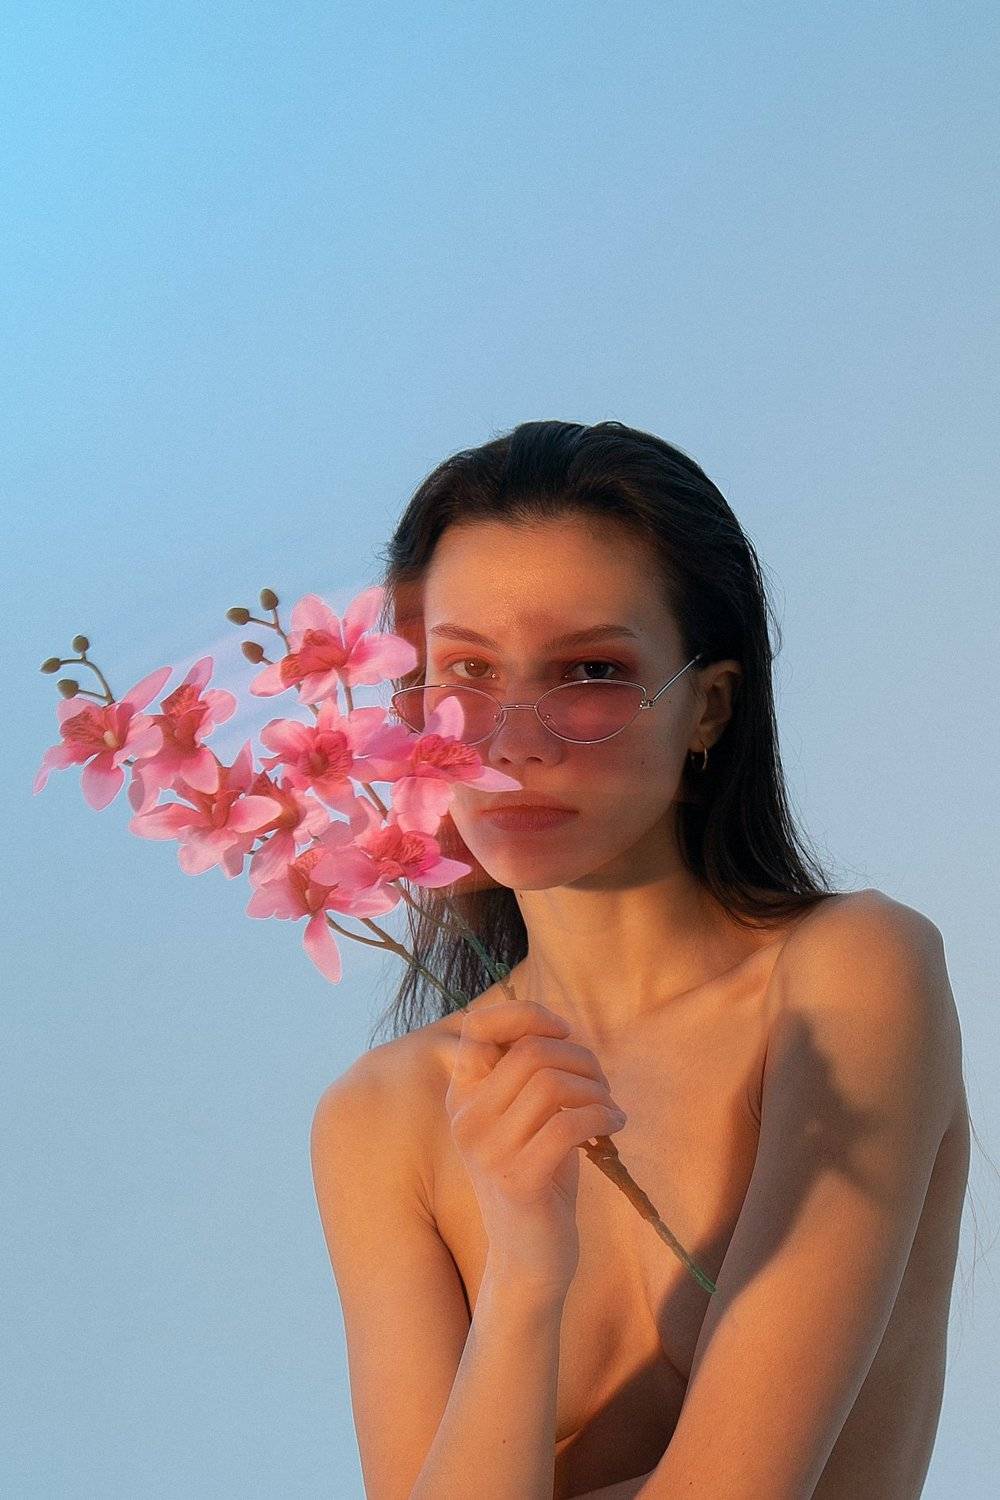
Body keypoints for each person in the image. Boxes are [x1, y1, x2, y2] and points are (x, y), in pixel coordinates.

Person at [310, 420, 970, 1499]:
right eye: (466, 670)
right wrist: (525, 1277)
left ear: (708, 707)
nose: (513, 740)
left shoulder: (848, 976)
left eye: (590, 670)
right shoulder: (384, 1118)